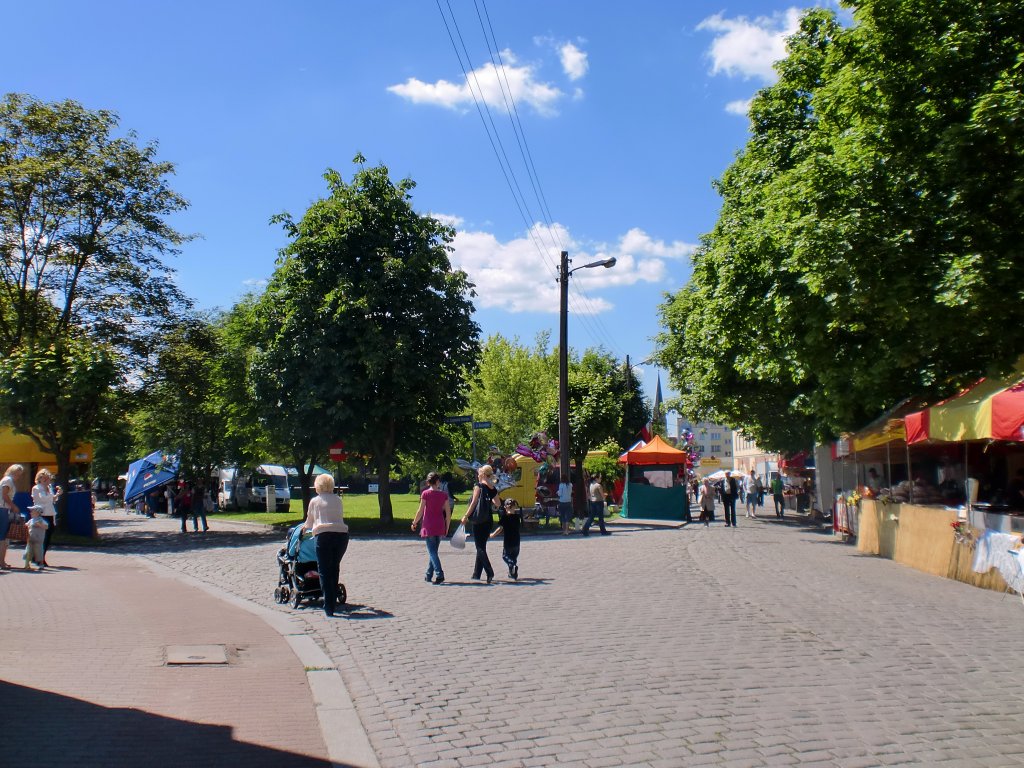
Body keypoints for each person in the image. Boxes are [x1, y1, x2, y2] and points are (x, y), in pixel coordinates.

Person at [302, 473, 349, 617]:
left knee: (324, 570)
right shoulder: (338, 500)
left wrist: (303, 530)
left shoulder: (315, 501)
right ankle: (333, 598)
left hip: (323, 535)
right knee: (334, 567)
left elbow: (310, 522)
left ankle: (328, 605)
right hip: (341, 535)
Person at [460, 464, 499, 583]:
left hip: (478, 519)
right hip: (488, 519)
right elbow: (498, 504)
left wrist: (466, 516)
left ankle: (489, 571)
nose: (477, 475)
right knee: (482, 545)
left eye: (478, 473)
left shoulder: (478, 486)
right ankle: (476, 574)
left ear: (482, 474)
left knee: (479, 547)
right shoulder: (492, 487)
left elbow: (474, 502)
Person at [411, 471, 451, 584]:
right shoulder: (444, 495)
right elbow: (448, 513)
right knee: (434, 552)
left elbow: (420, 510)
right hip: (440, 525)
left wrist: (414, 523)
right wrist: (447, 527)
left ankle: (440, 574)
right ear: (438, 481)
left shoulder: (425, 494)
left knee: (432, 552)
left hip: (429, 525)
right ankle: (428, 575)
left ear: (428, 482)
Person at [31, 469, 61, 565]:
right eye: (45, 478)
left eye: (48, 478)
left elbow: (51, 500)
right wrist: (48, 491)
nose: (48, 480)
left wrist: (58, 494)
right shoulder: (37, 488)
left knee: (48, 537)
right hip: (41, 514)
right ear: (40, 479)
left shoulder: (48, 488)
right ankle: (38, 558)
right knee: (41, 537)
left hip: (50, 513)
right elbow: (43, 499)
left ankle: (40, 557)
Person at [0, 464, 25, 570]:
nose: (18, 476)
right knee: (2, 536)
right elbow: (4, 495)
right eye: (17, 474)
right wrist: (13, 506)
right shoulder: (8, 480)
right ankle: (1, 562)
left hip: (4, 509)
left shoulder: (6, 480)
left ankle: (2, 561)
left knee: (3, 537)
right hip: (3, 509)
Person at [491, 498, 522, 580]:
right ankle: (513, 573)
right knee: (514, 557)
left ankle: (512, 565)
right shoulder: (517, 517)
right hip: (517, 541)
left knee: (505, 556)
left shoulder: (505, 517)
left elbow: (500, 528)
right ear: (515, 507)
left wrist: (493, 534)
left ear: (505, 507)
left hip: (508, 541)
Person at [23, 504, 48, 570]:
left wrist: (40, 525)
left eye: (32, 511)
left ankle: (41, 564)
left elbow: (46, 526)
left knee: (39, 551)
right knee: (28, 551)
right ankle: (27, 564)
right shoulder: (31, 520)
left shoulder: (41, 520)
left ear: (37, 512)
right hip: (30, 538)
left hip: (38, 539)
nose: (30, 512)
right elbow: (26, 525)